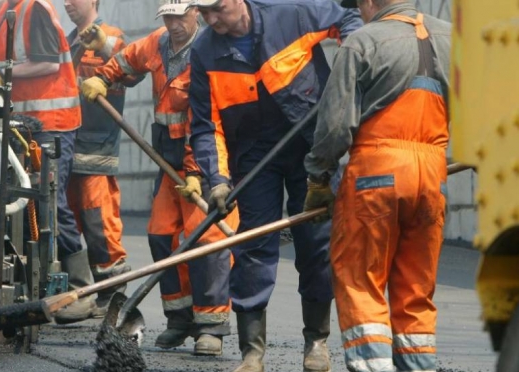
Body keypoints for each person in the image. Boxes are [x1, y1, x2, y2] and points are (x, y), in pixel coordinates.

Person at [187, 0, 362, 371]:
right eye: (203, 13)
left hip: (311, 148)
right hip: (252, 156)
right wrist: (217, 180)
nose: (211, 20)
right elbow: (205, 125)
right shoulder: (204, 51)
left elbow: (349, 15)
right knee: (253, 247)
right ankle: (253, 352)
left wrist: (352, 57)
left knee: (316, 247)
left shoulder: (292, 15)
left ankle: (316, 342)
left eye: (217, 9)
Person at [302, 0, 451, 370]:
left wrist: (319, 176)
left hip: (376, 173)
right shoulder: (453, 40)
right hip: (433, 173)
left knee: (360, 279)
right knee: (416, 288)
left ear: (369, 2)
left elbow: (336, 126)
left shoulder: (362, 42)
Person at [85, 0, 237, 356]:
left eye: (180, 16)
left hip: (204, 162)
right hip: (168, 165)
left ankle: (210, 326)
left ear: (196, 13)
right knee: (161, 236)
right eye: (167, 17)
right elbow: (126, 61)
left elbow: (204, 124)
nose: (173, 24)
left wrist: (198, 172)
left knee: (206, 242)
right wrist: (103, 76)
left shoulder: (208, 52)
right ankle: (180, 319)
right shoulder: (157, 42)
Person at [0, 0, 94, 323]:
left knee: (51, 204)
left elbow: (48, 63)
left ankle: (83, 290)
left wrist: (2, 73)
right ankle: (38, 286)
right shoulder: (6, 9)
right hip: (26, 123)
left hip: (52, 123)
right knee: (22, 202)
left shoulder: (36, 9)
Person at [63, 0, 131, 317]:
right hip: (65, 144)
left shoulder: (112, 36)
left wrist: (102, 44)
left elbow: (129, 67)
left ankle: (112, 292)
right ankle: (75, 291)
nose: (66, 3)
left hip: (97, 148)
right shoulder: (66, 41)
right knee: (67, 219)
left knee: (98, 220)